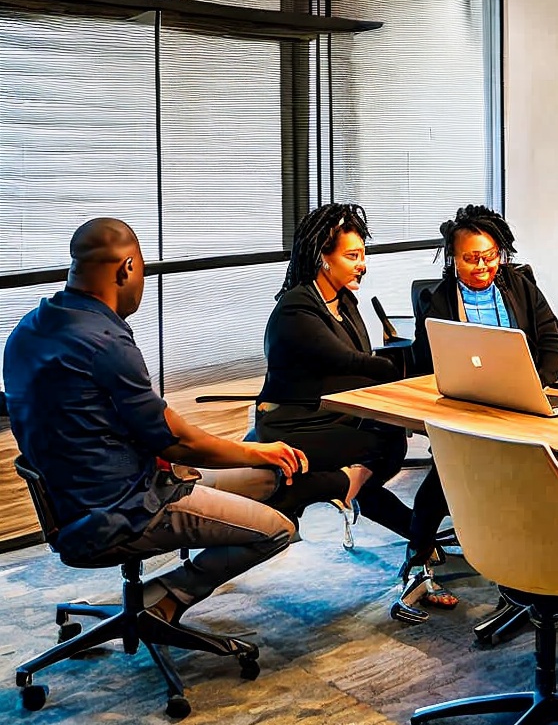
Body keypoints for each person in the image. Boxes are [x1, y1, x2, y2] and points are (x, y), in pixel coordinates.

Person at [2, 218, 324, 627]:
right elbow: (178, 443)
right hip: (126, 509)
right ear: (127, 269)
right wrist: (257, 448)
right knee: (276, 529)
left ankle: (159, 591)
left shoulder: (29, 329)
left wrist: (246, 457)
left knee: (266, 479)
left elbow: (106, 424)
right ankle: (168, 596)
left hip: (78, 500)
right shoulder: (105, 341)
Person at [256, 203, 443, 565]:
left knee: (385, 441)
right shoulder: (298, 309)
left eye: (363, 254)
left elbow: (360, 366)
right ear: (322, 257)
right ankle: (338, 488)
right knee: (383, 443)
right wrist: (412, 365)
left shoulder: (343, 301)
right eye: (353, 255)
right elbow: (353, 363)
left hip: (328, 414)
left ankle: (416, 532)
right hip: (291, 423)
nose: (363, 264)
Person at [405, 204, 558, 623]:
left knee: (539, 478)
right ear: (452, 258)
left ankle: (536, 574)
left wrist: (540, 385)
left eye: (491, 255)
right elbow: (429, 362)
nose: (483, 266)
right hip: (465, 406)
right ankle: (417, 561)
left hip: (524, 402)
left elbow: (551, 340)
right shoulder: (438, 299)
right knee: (445, 479)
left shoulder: (520, 285)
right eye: (471, 258)